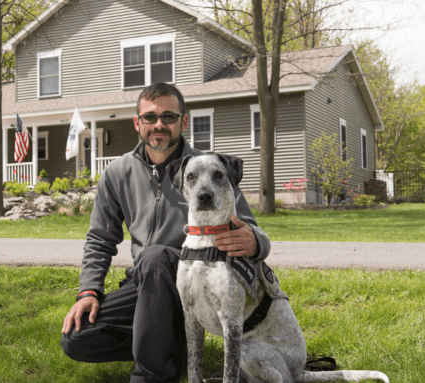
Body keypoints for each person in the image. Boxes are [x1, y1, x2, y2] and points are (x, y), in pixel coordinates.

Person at [60, 82, 271, 383]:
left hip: (196, 276)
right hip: (145, 280)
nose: (159, 124)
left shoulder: (208, 169)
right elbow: (99, 239)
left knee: (155, 255)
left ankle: (151, 375)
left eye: (169, 117)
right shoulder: (117, 173)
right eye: (149, 117)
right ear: (137, 123)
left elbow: (252, 230)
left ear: (183, 122)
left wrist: (254, 241)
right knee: (77, 338)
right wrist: (89, 291)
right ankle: (170, 344)